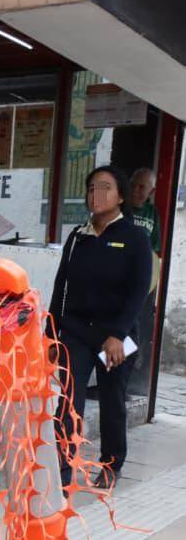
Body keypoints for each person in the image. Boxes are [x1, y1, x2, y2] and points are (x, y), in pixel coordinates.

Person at [51, 165, 152, 489]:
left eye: (106, 187)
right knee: (68, 402)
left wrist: (118, 335)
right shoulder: (77, 237)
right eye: (92, 188)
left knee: (111, 402)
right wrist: (51, 334)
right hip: (76, 331)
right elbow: (60, 287)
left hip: (115, 336)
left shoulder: (135, 237)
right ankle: (62, 470)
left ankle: (111, 463)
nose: (97, 194)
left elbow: (138, 292)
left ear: (120, 196)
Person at [128, 167, 162, 395]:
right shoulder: (120, 209)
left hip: (142, 285)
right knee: (114, 332)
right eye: (135, 185)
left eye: (143, 187)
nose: (138, 191)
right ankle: (103, 380)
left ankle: (124, 380)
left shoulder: (152, 214)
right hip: (118, 283)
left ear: (152, 191)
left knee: (134, 335)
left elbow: (156, 251)